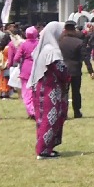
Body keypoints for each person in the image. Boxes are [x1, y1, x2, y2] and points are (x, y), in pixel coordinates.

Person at [30, 21, 71, 160]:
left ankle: (46, 147)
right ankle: (43, 150)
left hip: (43, 89)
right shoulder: (52, 51)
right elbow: (60, 70)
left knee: (44, 119)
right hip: (49, 90)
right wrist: (68, 75)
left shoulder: (45, 48)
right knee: (50, 118)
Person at [57, 21, 90, 119]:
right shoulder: (79, 42)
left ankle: (64, 111)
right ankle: (77, 111)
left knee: (64, 92)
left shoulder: (59, 41)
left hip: (62, 69)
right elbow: (85, 56)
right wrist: (90, 69)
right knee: (76, 92)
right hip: (75, 69)